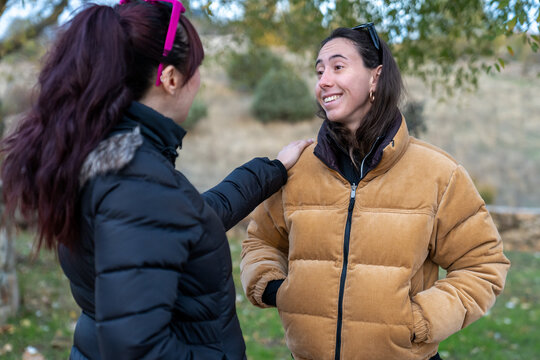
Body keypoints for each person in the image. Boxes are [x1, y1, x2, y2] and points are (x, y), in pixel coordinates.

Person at [0, 1, 312, 359]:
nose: (200, 81)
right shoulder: (136, 184)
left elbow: (186, 221)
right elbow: (139, 349)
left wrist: (272, 170)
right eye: (196, 68)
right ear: (170, 78)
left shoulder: (108, 159)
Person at [240, 23, 510, 360]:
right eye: (319, 70)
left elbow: (483, 265)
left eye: (338, 67)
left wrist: (419, 321)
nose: (323, 81)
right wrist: (275, 287)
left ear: (375, 77)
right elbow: (261, 240)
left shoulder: (439, 173)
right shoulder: (298, 168)